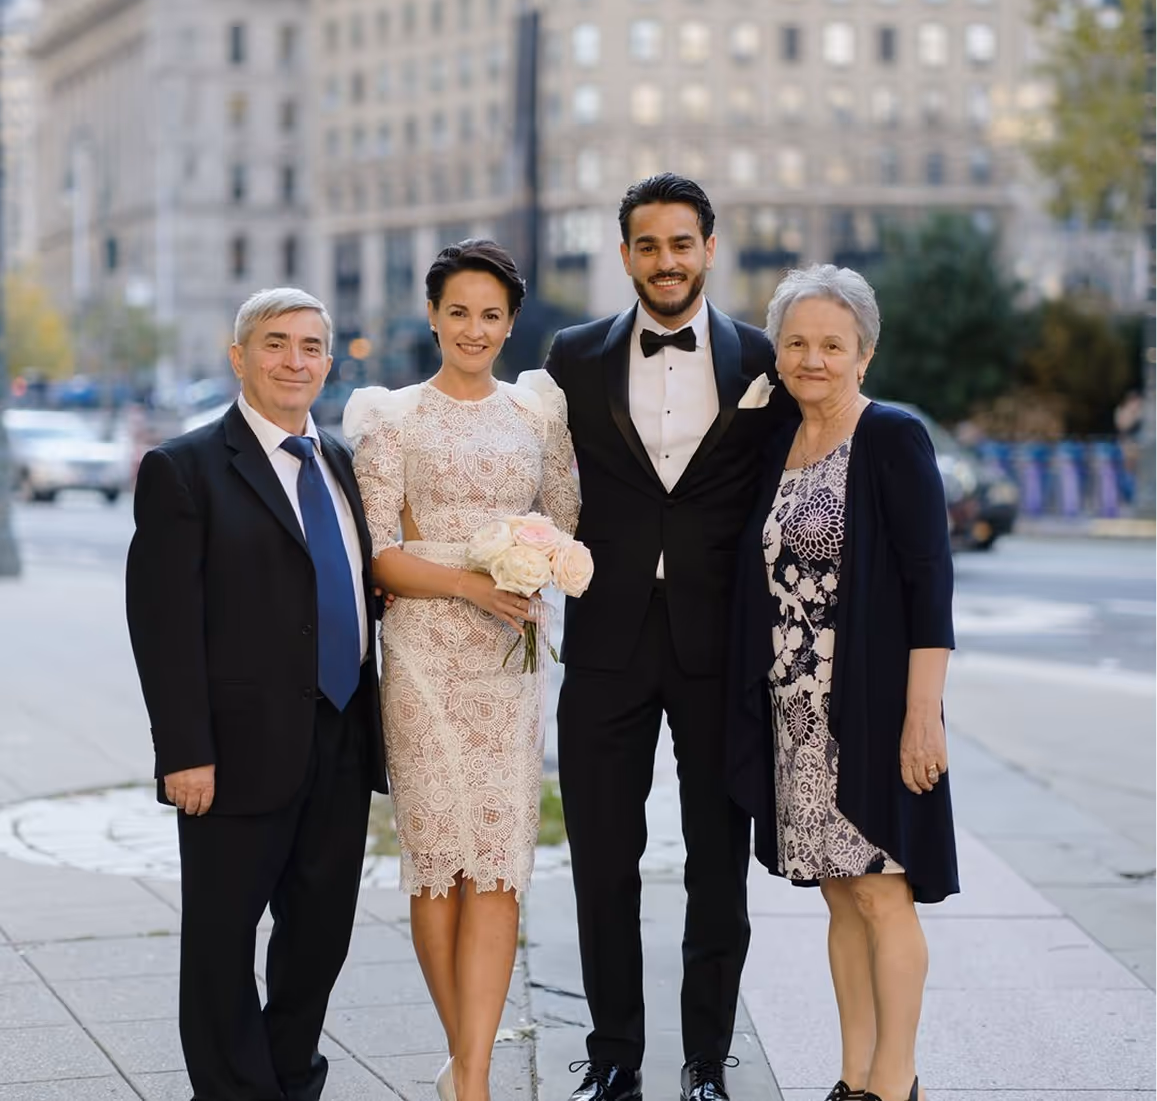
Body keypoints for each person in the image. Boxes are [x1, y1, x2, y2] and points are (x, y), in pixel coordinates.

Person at [544, 174, 798, 1101]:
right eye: (647, 246)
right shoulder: (570, 357)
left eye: (680, 244)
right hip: (605, 647)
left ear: (707, 249)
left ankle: (704, 1067)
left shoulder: (762, 359)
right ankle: (613, 1060)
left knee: (715, 870)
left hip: (718, 650)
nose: (665, 262)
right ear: (624, 257)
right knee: (601, 863)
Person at [125, 287, 388, 1101]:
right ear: (238, 357)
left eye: (311, 345)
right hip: (234, 753)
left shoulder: (341, 462)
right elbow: (162, 626)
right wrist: (185, 752)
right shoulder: (184, 469)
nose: (295, 361)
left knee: (317, 940)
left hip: (340, 742)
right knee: (220, 944)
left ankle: (288, 1079)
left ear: (328, 359)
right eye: (275, 343)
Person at [343, 239, 579, 1101]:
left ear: (510, 323)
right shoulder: (390, 417)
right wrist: (468, 585)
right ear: (433, 316)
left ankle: (466, 1075)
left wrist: (533, 562)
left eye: (490, 315)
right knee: (440, 862)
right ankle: (472, 1074)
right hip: (423, 656)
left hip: (508, 663)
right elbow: (378, 553)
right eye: (457, 313)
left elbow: (564, 520)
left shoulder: (534, 417)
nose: (473, 330)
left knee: (501, 861)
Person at [726, 265, 959, 1101]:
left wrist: (920, 717)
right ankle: (852, 1076)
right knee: (838, 894)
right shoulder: (777, 443)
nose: (812, 358)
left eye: (832, 343)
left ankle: (895, 1085)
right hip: (796, 713)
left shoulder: (890, 435)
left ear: (865, 353)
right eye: (795, 342)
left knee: (881, 891)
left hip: (868, 706)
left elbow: (928, 584)